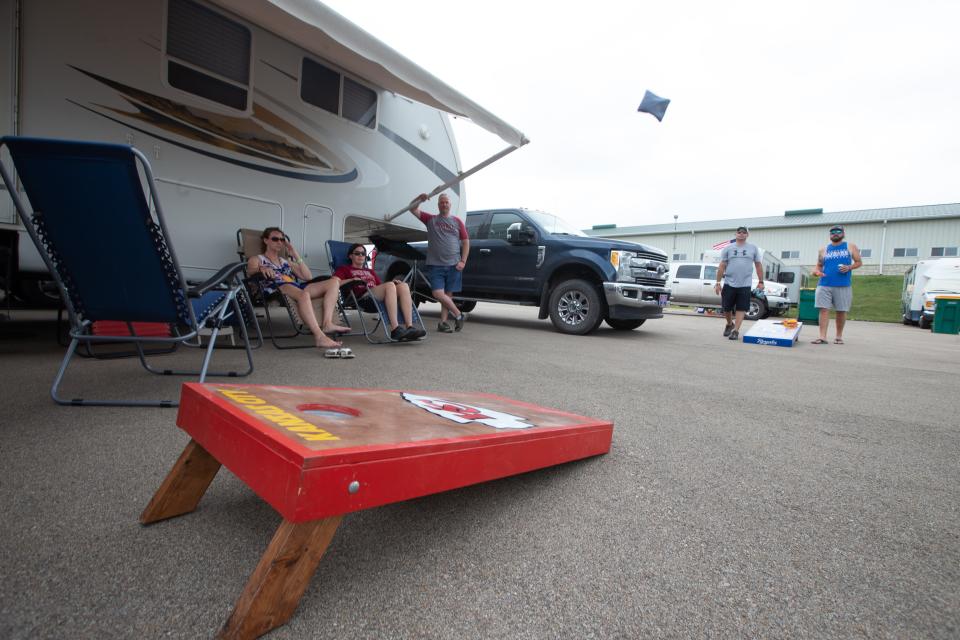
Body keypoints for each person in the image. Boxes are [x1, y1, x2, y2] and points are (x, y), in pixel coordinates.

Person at [246, 227, 349, 350]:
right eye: (275, 239)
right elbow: (250, 271)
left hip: (295, 287)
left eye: (282, 239)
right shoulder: (257, 259)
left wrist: (295, 253)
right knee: (303, 294)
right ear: (266, 240)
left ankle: (327, 323)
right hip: (275, 288)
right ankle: (319, 336)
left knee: (333, 283)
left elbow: (307, 276)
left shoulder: (285, 261)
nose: (279, 242)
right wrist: (261, 269)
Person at [333, 243, 426, 341]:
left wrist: (392, 284)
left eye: (363, 254)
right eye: (357, 253)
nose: (361, 256)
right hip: (362, 298)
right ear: (350, 256)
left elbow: (379, 286)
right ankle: (395, 329)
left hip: (376, 295)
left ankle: (410, 327)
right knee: (390, 285)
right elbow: (334, 282)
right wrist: (351, 280)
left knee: (403, 286)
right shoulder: (344, 269)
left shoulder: (370, 272)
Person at [409, 192, 470, 333]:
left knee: (447, 296)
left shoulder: (457, 221)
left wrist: (463, 261)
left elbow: (466, 242)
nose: (444, 204)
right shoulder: (430, 219)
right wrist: (419, 199)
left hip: (454, 264)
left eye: (446, 202)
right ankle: (459, 314)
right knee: (438, 293)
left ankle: (443, 323)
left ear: (450, 204)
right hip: (436, 265)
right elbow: (412, 208)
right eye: (442, 202)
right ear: (438, 205)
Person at [811, 225, 861, 344]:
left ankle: (838, 337)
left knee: (841, 310)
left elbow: (859, 262)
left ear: (843, 233)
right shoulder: (823, 250)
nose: (835, 234)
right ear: (830, 235)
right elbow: (819, 265)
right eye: (832, 232)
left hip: (843, 284)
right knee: (823, 310)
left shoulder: (850, 246)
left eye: (838, 231)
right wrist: (816, 271)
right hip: (824, 284)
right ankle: (822, 337)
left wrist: (849, 267)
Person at [713, 226, 764, 341]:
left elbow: (758, 265)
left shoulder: (753, 248)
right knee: (726, 307)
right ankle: (729, 323)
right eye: (739, 232)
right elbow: (722, 266)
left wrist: (761, 281)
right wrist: (718, 282)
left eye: (744, 232)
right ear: (735, 234)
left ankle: (736, 330)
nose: (741, 234)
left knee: (741, 308)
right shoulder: (728, 248)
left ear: (747, 235)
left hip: (745, 283)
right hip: (729, 283)